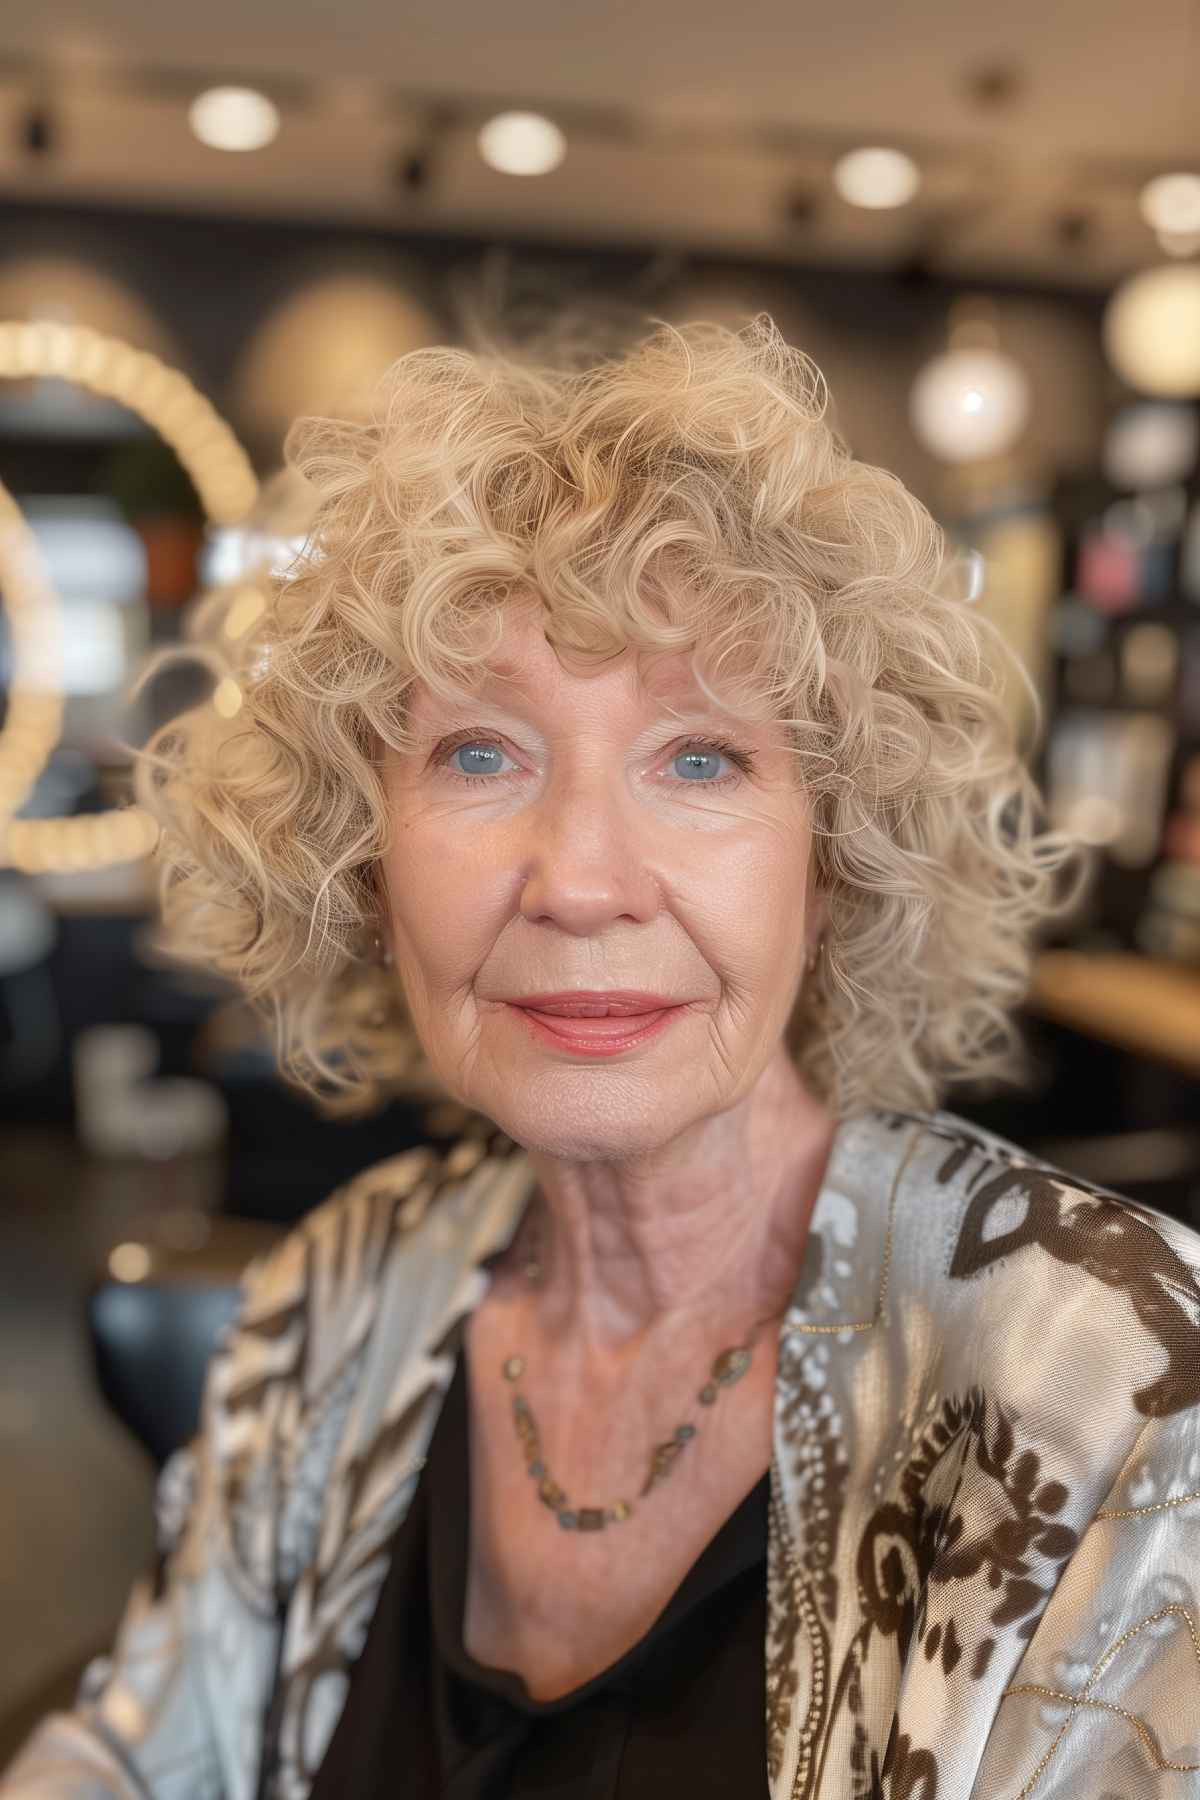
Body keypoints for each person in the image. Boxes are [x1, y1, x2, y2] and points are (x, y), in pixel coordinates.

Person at [5, 312, 1199, 1799]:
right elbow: (130, 1752)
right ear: (362, 860)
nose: (579, 880)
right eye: (477, 753)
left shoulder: (1120, 1390)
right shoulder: (334, 1303)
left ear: (835, 864)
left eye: (700, 759)